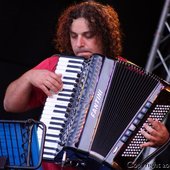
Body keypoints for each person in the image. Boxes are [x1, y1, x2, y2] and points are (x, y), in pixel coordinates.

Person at [3, 1, 169, 170]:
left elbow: (142, 129)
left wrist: (162, 139)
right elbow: (9, 105)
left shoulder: (132, 76)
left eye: (87, 35)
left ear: (104, 36)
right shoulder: (57, 66)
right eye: (74, 36)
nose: (79, 43)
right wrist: (28, 77)